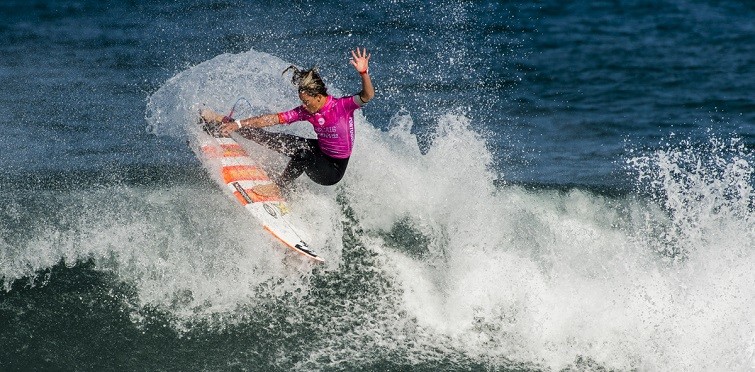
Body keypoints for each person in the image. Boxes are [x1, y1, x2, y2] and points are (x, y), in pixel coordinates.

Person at [200, 48, 374, 197]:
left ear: (319, 97)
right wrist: (238, 123)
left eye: (307, 102)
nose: (304, 106)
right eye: (302, 102)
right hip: (320, 150)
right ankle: (222, 121)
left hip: (332, 171)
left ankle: (278, 188)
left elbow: (367, 96)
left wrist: (363, 73)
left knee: (303, 154)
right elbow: (272, 119)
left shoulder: (342, 106)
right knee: (276, 138)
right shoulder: (307, 111)